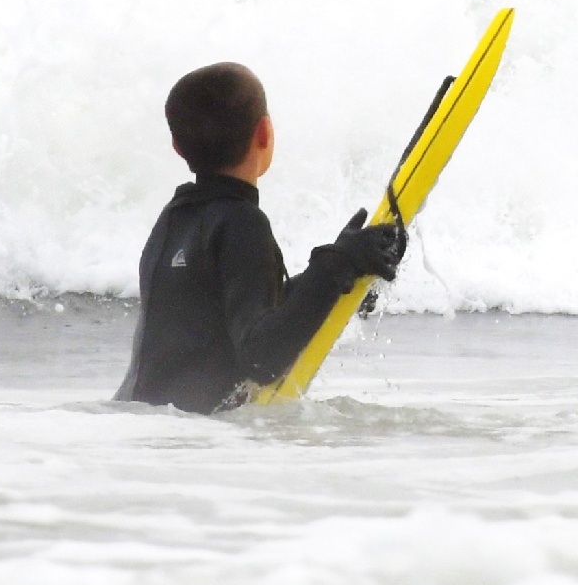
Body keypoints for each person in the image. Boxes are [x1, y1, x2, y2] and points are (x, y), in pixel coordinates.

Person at [115, 61, 407, 413]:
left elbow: (229, 315)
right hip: (199, 434)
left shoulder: (174, 218)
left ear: (176, 146)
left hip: (139, 422)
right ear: (265, 133)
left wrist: (340, 275)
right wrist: (337, 265)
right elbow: (262, 356)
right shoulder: (241, 222)